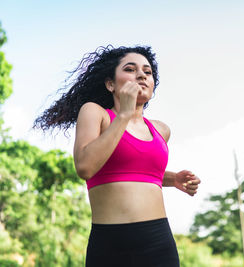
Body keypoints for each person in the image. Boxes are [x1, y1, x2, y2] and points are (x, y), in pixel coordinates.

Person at [34, 45, 201, 266]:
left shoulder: (161, 130)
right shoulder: (96, 113)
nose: (141, 74)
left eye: (147, 72)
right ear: (110, 84)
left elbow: (133, 171)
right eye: (130, 69)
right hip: (110, 245)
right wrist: (123, 115)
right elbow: (85, 167)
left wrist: (173, 179)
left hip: (159, 243)